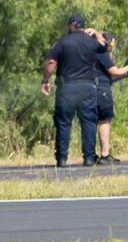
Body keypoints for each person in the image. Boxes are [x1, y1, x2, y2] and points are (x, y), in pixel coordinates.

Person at [41, 13, 101, 167]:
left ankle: (61, 159)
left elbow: (51, 62)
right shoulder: (91, 42)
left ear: (72, 25)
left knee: (63, 123)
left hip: (66, 88)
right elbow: (108, 46)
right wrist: (96, 34)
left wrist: (45, 80)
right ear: (82, 26)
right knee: (88, 121)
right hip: (88, 87)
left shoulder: (62, 42)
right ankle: (88, 158)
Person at [88, 29, 128, 164]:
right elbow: (115, 72)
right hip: (101, 90)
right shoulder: (101, 52)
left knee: (91, 122)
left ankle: (90, 155)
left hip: (88, 89)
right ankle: (105, 155)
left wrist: (124, 73)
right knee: (104, 120)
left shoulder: (87, 51)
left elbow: (107, 75)